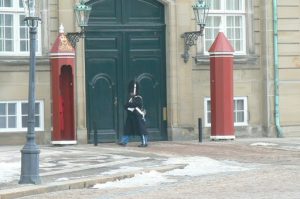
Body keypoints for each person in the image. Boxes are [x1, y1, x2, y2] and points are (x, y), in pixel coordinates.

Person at [118, 80, 148, 147]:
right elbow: (126, 106)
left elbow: (137, 104)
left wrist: (129, 105)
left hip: (138, 116)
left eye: (132, 91)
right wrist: (129, 105)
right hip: (131, 116)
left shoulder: (139, 98)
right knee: (127, 129)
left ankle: (144, 142)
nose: (130, 93)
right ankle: (124, 141)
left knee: (141, 130)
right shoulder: (131, 99)